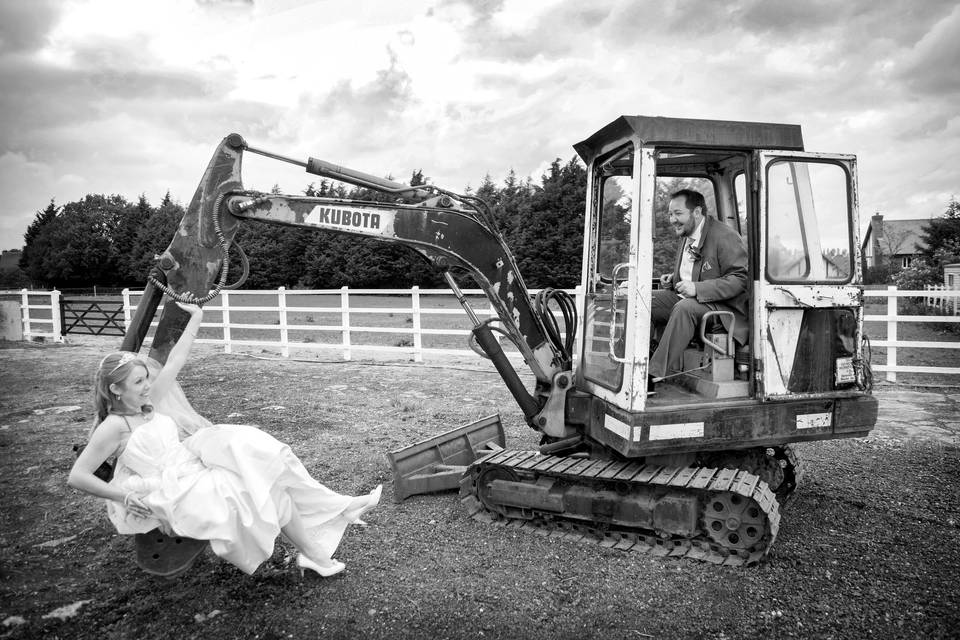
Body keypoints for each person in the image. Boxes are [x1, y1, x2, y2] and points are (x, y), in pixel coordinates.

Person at [68, 298, 380, 578]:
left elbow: (175, 360)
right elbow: (78, 476)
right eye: (138, 382)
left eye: (146, 379)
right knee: (264, 493)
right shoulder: (115, 426)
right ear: (115, 390)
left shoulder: (149, 404)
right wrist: (122, 497)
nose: (147, 386)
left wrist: (197, 317)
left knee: (259, 459)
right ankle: (321, 548)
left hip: (191, 464)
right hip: (172, 489)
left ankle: (337, 517)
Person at [649, 189, 748, 383]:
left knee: (684, 308)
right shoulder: (686, 235)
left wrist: (697, 288)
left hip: (723, 308)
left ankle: (652, 375)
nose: (672, 220)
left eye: (678, 214)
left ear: (696, 212)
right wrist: (672, 280)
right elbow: (691, 274)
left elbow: (739, 279)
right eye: (670, 214)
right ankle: (631, 361)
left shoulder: (725, 236)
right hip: (691, 300)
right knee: (642, 299)